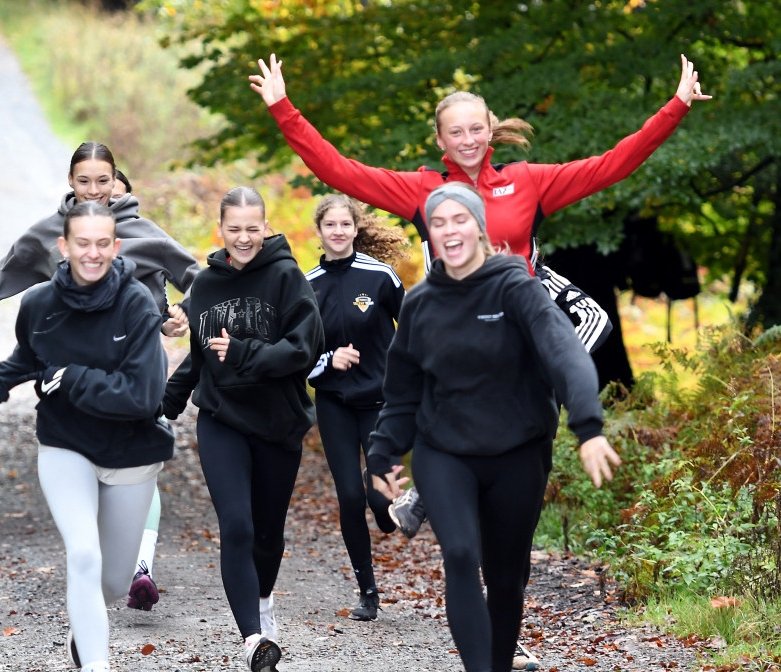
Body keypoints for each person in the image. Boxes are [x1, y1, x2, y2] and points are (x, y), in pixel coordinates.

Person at [250, 52, 709, 542]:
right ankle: (431, 488)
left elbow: (612, 166)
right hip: (454, 321)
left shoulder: (529, 181)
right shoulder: (425, 190)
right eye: (456, 132)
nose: (467, 141)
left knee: (587, 329)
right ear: (441, 140)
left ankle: (535, 430)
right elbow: (341, 172)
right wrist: (284, 109)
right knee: (444, 387)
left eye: (476, 129)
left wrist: (676, 106)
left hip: (521, 318)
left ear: (490, 131)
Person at [367, 185, 621, 672]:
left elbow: (564, 352)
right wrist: (381, 454)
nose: (450, 230)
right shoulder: (420, 303)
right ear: (430, 234)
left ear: (479, 227)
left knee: (507, 577)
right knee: (459, 553)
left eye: (461, 219)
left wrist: (588, 426)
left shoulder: (517, 287)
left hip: (517, 450)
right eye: (439, 222)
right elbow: (403, 391)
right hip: (445, 449)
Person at [0, 203, 175, 672]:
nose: (92, 253)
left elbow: (143, 397)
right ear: (63, 248)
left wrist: (72, 378)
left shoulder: (137, 305)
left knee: (113, 582)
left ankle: (87, 622)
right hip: (65, 443)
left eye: (103, 244)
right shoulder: (40, 303)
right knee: (83, 554)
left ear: (116, 249)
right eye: (82, 244)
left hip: (130, 451)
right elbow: (27, 359)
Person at [0, 143, 196, 611]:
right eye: (85, 181)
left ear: (117, 180)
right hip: (73, 361)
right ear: (71, 183)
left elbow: (197, 277)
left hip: (135, 364)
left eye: (103, 180)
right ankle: (92, 563)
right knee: (82, 455)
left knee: (138, 450)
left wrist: (182, 316)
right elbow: (8, 270)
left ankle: (137, 563)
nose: (95, 190)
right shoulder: (50, 235)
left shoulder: (144, 234)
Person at [162, 186, 323, 672]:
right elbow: (200, 356)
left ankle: (264, 603)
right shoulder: (205, 284)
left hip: (277, 422)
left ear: (267, 227)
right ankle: (254, 640)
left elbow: (305, 347)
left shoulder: (287, 277)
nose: (244, 237)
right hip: (221, 420)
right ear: (220, 230)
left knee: (268, 534)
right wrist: (161, 407)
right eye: (235, 229)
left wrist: (246, 353)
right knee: (236, 525)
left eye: (253, 228)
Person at [305, 194, 409, 621]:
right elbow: (298, 358)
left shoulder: (381, 277)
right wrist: (329, 361)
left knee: (378, 494)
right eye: (330, 225)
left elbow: (415, 334)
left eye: (345, 224)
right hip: (334, 404)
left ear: (355, 228)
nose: (338, 231)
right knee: (349, 496)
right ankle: (367, 590)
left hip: (381, 401)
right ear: (320, 231)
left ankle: (385, 509)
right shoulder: (306, 286)